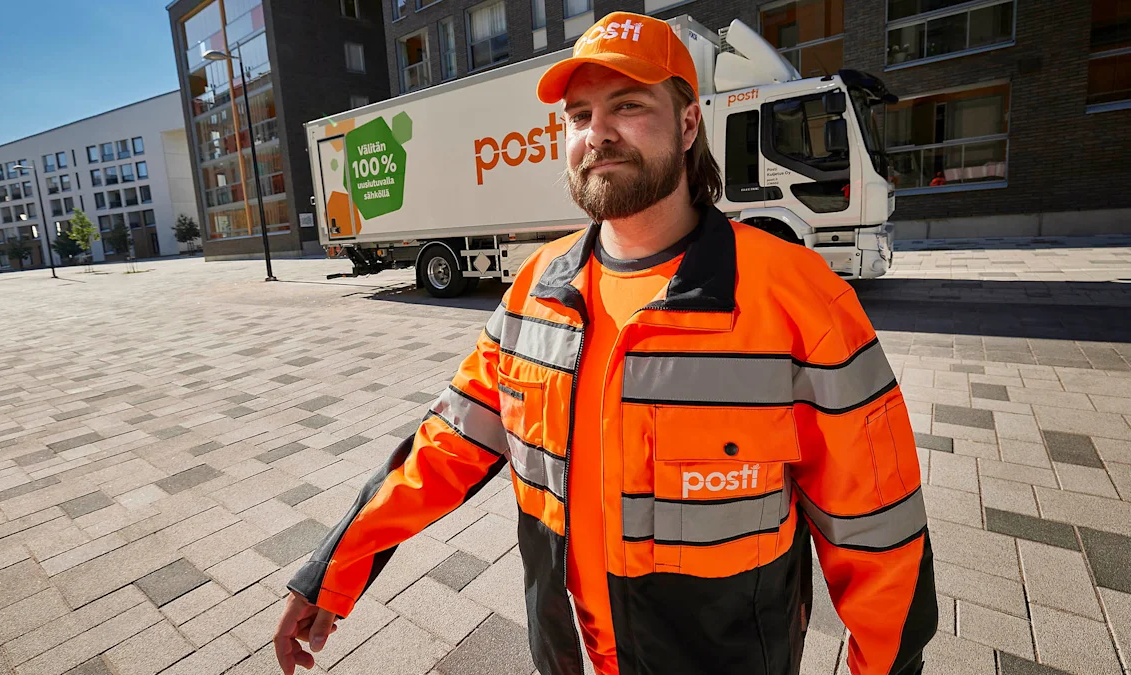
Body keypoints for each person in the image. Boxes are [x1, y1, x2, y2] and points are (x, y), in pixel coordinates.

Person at [274, 12, 936, 675]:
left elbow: (879, 528)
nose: (597, 132)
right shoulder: (537, 290)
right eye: (579, 115)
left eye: (628, 105)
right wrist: (333, 569)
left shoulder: (799, 297)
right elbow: (445, 445)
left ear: (688, 124)